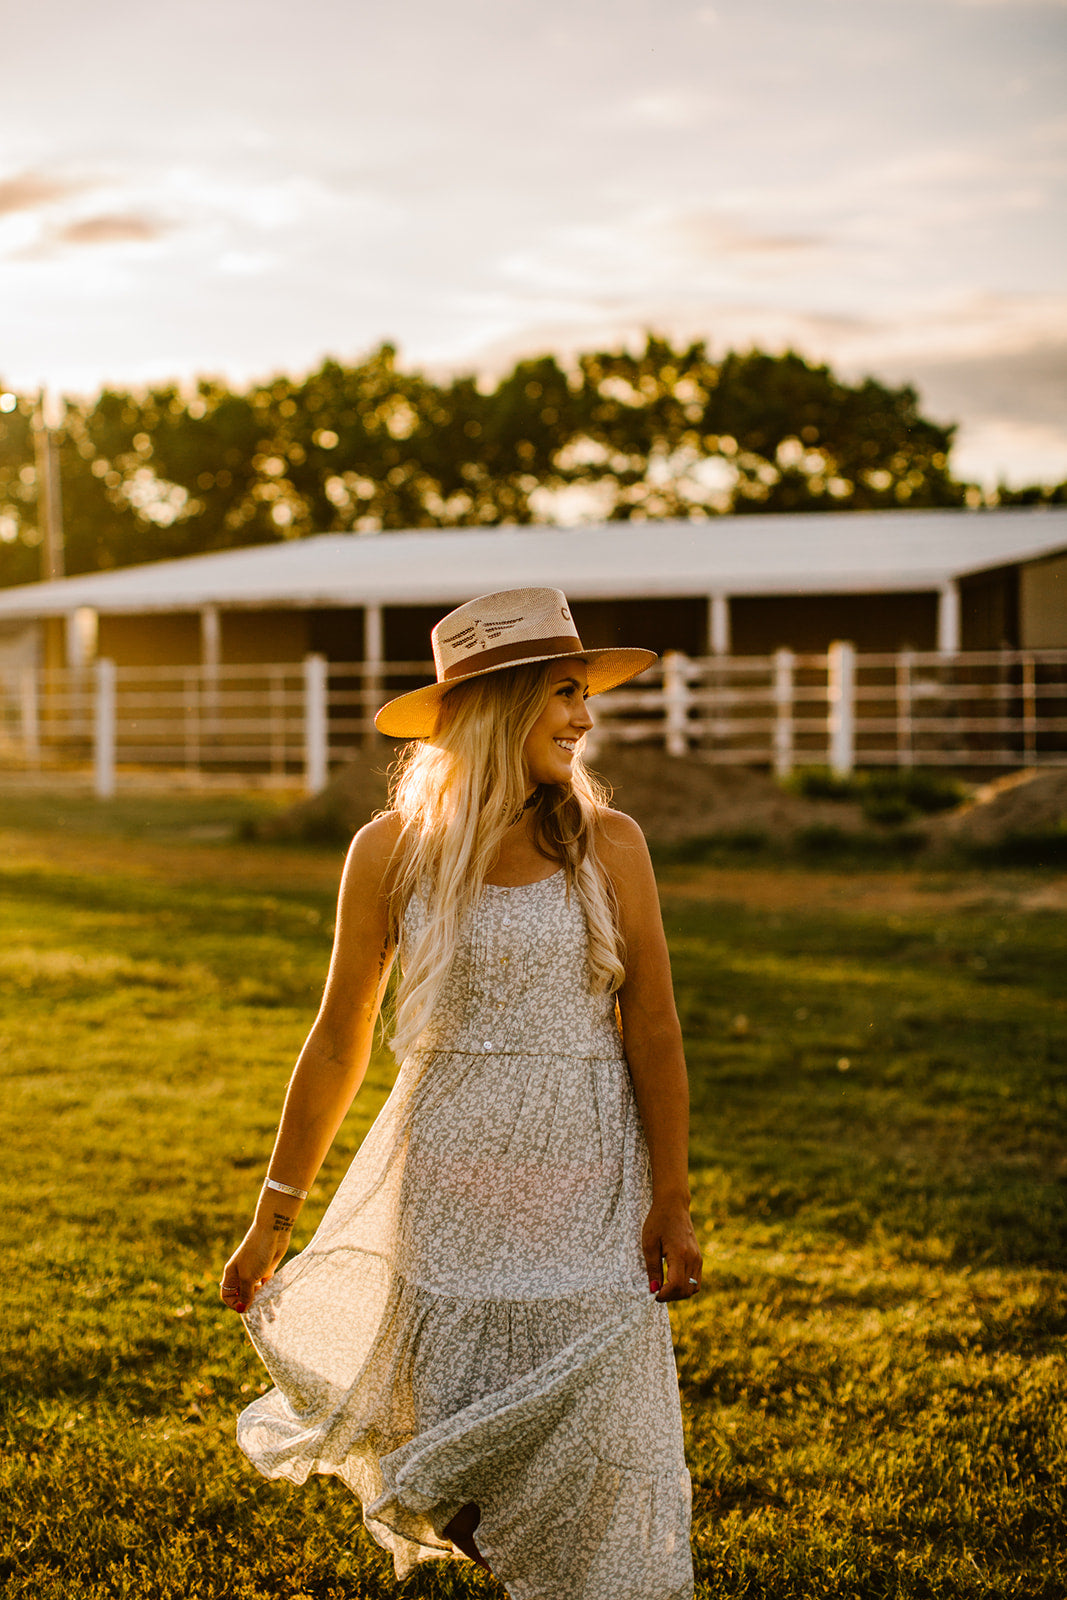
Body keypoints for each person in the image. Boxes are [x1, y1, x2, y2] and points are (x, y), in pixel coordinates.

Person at [220, 587, 701, 1600]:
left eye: (583, 694)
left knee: (597, 1410)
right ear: (496, 703)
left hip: (585, 1169)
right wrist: (275, 1213)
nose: (583, 717)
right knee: (458, 1446)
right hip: (444, 1176)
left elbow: (650, 1024)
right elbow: (340, 1033)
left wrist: (672, 1194)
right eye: (563, 692)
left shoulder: (609, 844)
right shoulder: (389, 852)